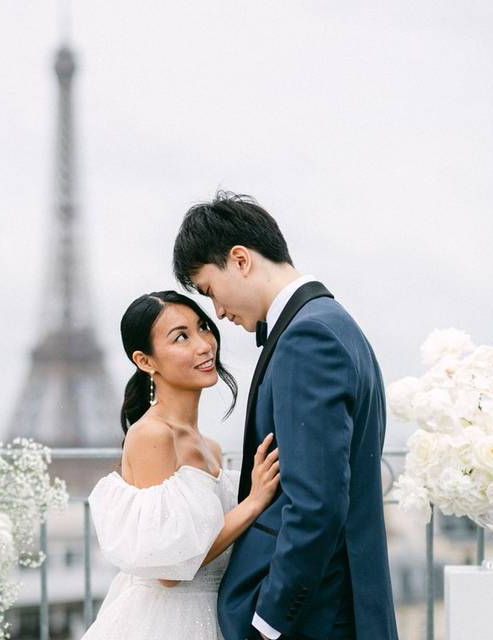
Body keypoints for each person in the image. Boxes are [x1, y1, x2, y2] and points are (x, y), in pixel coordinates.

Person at [173, 192, 398, 640]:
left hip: (313, 619)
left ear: (239, 260)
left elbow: (315, 505)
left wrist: (267, 622)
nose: (216, 311)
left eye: (210, 290)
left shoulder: (307, 338)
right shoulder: (336, 324)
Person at [82, 290, 281, 640]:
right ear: (146, 361)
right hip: (166, 622)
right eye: (181, 337)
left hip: (217, 613)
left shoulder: (212, 448)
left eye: (202, 327)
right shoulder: (152, 435)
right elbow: (168, 570)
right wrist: (252, 503)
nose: (204, 345)